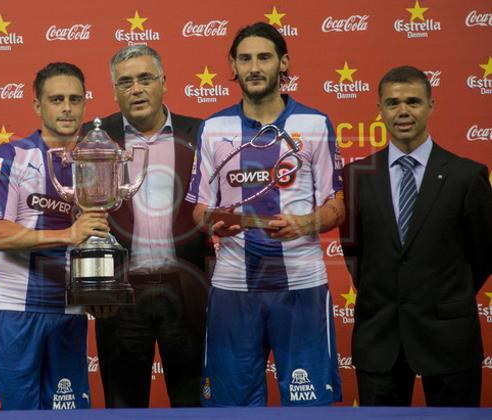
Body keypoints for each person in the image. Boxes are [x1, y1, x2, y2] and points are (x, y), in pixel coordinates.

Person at [186, 22, 344, 407]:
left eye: (264, 57)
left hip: (301, 285)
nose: (254, 67)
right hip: (233, 288)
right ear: (233, 66)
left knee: (309, 407)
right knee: (231, 406)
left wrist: (307, 223)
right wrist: (213, 221)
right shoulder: (213, 128)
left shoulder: (314, 124)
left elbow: (336, 206)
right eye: (245, 59)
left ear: (283, 63)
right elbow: (199, 208)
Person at [340, 65, 492, 407]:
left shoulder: (467, 176)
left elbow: (483, 252)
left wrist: (447, 294)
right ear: (379, 109)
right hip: (380, 339)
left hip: (449, 338)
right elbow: (353, 252)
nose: (403, 111)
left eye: (413, 101)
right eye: (392, 103)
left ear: (431, 105)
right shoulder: (355, 176)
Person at [80, 45, 209, 408]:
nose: (136, 89)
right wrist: (95, 289)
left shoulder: (199, 133)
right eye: (125, 82)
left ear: (163, 82)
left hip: (187, 291)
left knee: (192, 403)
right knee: (123, 405)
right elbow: (86, 220)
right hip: (121, 297)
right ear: (114, 90)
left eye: (145, 78)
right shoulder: (96, 140)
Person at [0, 62, 107, 411]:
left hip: (70, 312)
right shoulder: (12, 156)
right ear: (38, 105)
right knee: (9, 414)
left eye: (75, 99)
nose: (67, 107)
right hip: (16, 311)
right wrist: (68, 234)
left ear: (84, 104)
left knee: (68, 415)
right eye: (56, 99)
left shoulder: (97, 163)